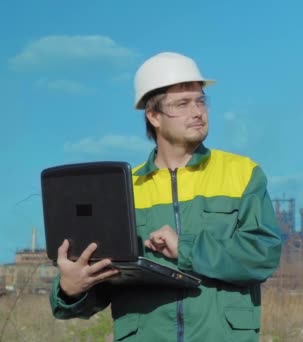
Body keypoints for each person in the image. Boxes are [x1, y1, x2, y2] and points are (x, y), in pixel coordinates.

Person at [49, 51, 283, 341]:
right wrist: (71, 289)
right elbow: (104, 282)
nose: (197, 112)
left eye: (200, 100)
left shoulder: (243, 174)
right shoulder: (124, 189)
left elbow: (263, 256)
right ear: (154, 115)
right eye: (182, 104)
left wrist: (185, 248)